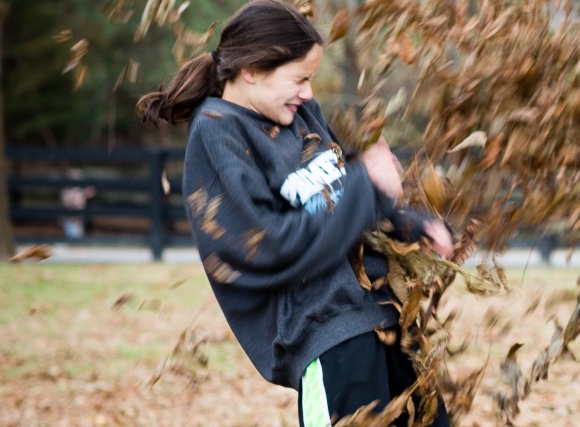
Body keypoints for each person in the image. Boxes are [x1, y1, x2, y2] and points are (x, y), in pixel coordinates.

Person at [136, 1, 452, 425]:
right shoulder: (218, 133)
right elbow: (267, 245)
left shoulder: (303, 116)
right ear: (251, 69)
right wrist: (367, 184)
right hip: (329, 335)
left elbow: (344, 197)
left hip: (388, 318)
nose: (308, 92)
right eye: (299, 78)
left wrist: (413, 224)